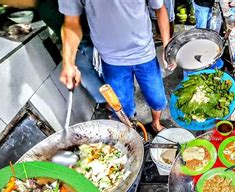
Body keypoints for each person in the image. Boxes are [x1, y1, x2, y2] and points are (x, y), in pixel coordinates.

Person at [58, 0, 173, 133]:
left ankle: (156, 124)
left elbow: (160, 9)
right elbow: (71, 23)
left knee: (157, 98)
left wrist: (167, 46)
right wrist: (68, 63)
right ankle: (129, 132)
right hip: (111, 59)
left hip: (145, 53)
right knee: (122, 107)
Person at [0, 0, 106, 105]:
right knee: (93, 76)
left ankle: (111, 105)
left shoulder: (49, 5)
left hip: (84, 41)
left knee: (102, 76)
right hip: (77, 43)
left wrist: (69, 60)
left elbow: (72, 24)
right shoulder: (40, 6)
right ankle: (109, 104)